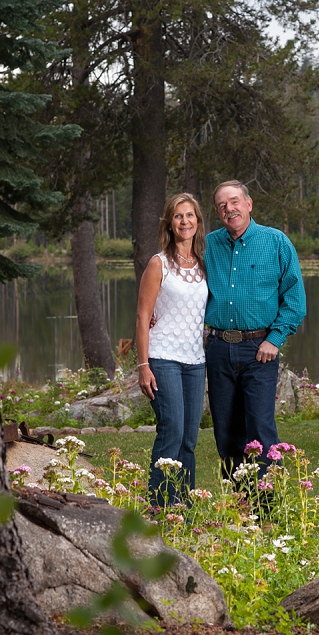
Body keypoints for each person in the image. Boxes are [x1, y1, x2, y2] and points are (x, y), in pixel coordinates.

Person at [204, 180, 306, 480]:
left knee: (260, 429)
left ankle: (268, 505)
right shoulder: (208, 244)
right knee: (225, 431)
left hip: (259, 349)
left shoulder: (275, 242)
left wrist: (275, 339)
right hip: (219, 348)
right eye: (222, 205)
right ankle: (239, 508)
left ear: (249, 204)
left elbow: (295, 299)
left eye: (234, 201)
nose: (229, 209)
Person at [135, 193, 209, 506]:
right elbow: (142, 315)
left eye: (190, 215)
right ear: (170, 222)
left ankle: (184, 507)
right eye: (178, 216)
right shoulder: (158, 263)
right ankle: (160, 506)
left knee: (189, 439)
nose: (185, 221)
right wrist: (143, 366)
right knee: (172, 430)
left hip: (195, 360)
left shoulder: (205, 264)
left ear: (198, 221)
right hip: (163, 358)